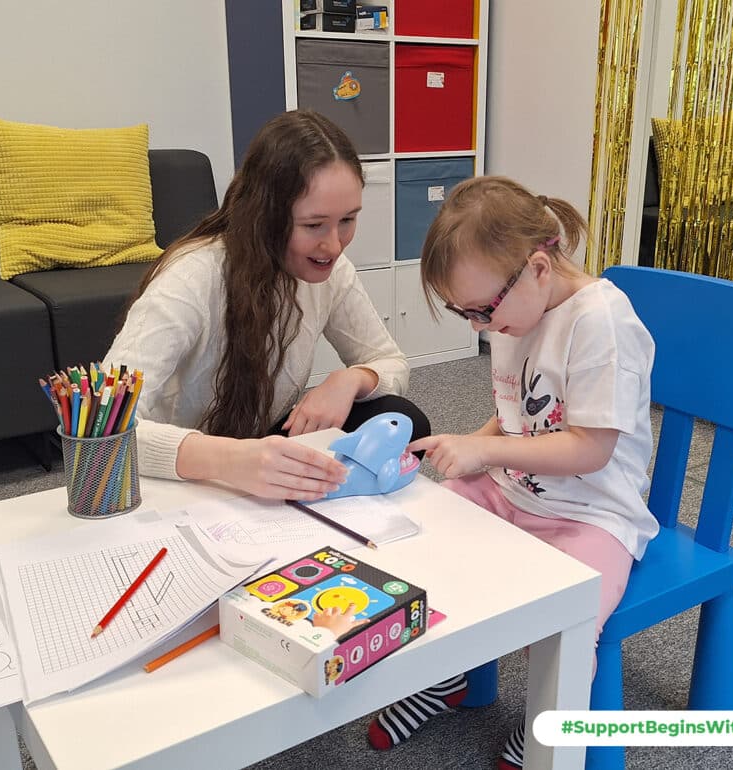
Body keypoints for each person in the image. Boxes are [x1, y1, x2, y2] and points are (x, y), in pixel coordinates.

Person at [365, 176, 659, 769]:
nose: (479, 326)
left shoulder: (601, 322)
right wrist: (471, 443)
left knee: (563, 623)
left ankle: (549, 720)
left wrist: (487, 455)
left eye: (482, 310)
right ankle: (444, 678)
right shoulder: (515, 315)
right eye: (464, 312)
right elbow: (516, 416)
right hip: (515, 491)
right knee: (422, 546)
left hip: (592, 514)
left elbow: (589, 450)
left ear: (538, 268)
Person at [105, 109, 429, 499]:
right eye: (313, 225)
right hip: (192, 465)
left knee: (404, 420)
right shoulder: (191, 277)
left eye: (348, 220)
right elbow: (105, 421)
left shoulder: (333, 273)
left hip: (263, 442)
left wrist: (351, 380)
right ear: (265, 215)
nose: (334, 245)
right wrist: (229, 460)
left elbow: (389, 361)